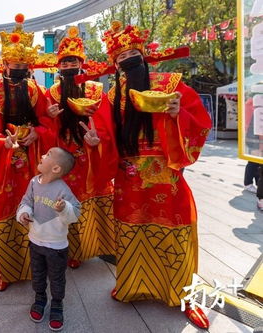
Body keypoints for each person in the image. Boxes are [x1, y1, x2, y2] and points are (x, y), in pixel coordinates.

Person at [102, 21, 212, 329]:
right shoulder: (113, 95)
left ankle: (184, 297)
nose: (127, 61)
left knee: (175, 232)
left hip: (166, 175)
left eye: (132, 54)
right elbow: (108, 135)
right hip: (129, 177)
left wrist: (178, 115)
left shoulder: (171, 83)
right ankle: (131, 285)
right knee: (130, 230)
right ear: (116, 66)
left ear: (143, 55)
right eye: (120, 58)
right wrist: (96, 143)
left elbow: (200, 122)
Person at [0, 13, 53, 291]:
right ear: (4, 64)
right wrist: (2, 143)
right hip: (5, 165)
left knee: (34, 213)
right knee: (5, 213)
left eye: (23, 64)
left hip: (32, 164)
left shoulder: (35, 90)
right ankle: (5, 267)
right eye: (13, 64)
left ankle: (35, 265)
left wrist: (39, 132)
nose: (18, 68)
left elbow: (46, 122)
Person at [45, 26, 118, 269]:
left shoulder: (96, 90)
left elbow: (106, 121)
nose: (68, 66)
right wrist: (50, 117)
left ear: (81, 64)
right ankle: (73, 250)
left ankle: (103, 246)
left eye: (73, 62)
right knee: (68, 201)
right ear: (59, 66)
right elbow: (45, 127)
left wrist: (98, 139)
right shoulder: (52, 93)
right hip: (65, 156)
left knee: (97, 197)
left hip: (90, 152)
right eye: (64, 63)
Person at [17, 147, 81, 331]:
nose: (43, 155)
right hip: (35, 240)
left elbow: (75, 213)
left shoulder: (62, 190)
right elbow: (26, 201)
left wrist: (64, 209)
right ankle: (40, 298)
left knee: (57, 277)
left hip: (56, 245)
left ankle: (57, 304)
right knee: (37, 274)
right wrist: (24, 213)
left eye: (48, 155)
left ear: (55, 169)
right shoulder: (33, 183)